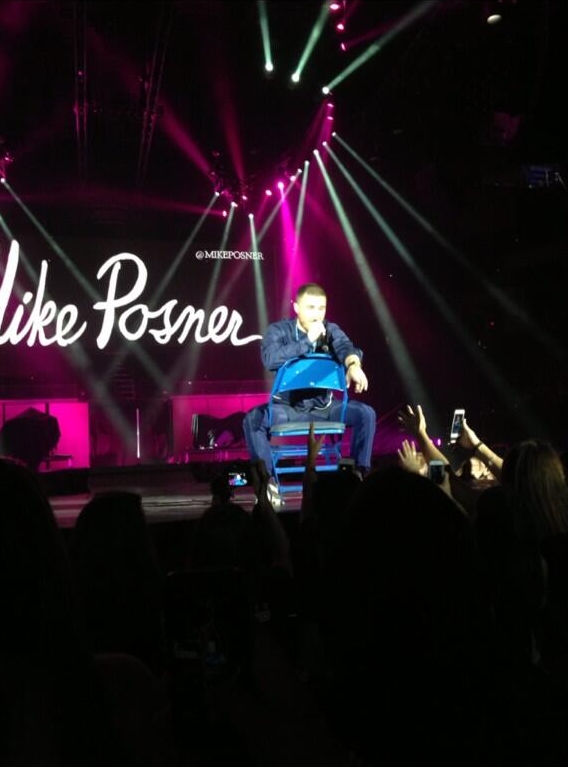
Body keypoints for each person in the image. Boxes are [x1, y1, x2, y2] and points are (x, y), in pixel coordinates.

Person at [242, 283, 377, 488]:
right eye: (310, 308)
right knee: (253, 419)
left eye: (321, 308)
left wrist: (353, 365)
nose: (317, 314)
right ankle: (266, 481)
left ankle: (357, 475)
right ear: (296, 307)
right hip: (286, 408)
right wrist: (308, 340)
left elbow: (346, 347)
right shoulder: (278, 330)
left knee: (366, 413)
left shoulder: (330, 329)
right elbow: (271, 359)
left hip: (324, 408)